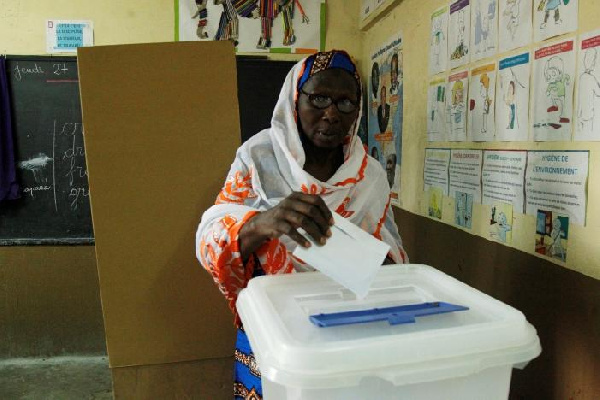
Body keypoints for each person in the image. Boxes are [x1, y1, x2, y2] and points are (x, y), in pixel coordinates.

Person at [196, 50, 408, 400]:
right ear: (295, 98)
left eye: (345, 103)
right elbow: (211, 235)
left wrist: (369, 257)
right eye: (320, 98)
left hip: (347, 331)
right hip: (273, 330)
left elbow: (393, 252)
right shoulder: (259, 157)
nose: (330, 113)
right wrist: (264, 223)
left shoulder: (369, 174)